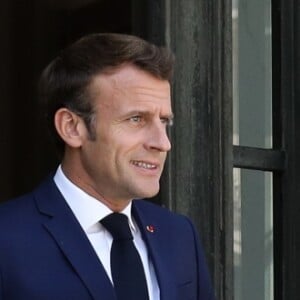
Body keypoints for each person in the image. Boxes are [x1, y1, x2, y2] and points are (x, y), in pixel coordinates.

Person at [0, 33, 214, 300]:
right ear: (72, 127)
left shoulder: (179, 235)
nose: (163, 143)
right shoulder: (7, 238)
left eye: (164, 121)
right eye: (136, 119)